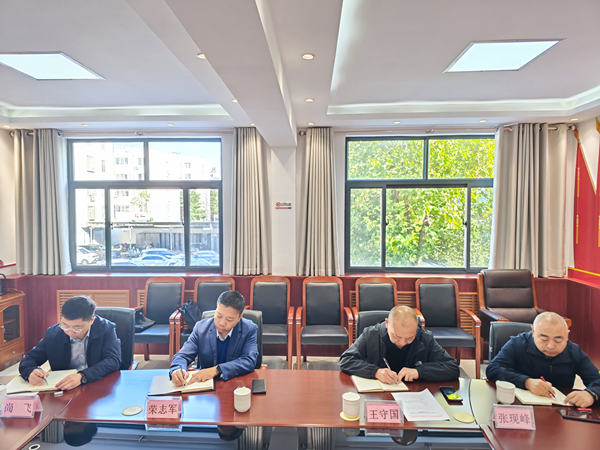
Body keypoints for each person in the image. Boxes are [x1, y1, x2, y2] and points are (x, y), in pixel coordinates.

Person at [486, 312, 600, 407]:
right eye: (544, 339)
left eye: (558, 340)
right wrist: (527, 382)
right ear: (533, 332)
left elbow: (596, 379)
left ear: (567, 335)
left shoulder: (574, 351)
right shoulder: (518, 343)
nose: (551, 346)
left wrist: (591, 394)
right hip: (519, 407)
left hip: (559, 412)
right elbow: (493, 369)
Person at [19, 296, 121, 390]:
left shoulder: (106, 329)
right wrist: (30, 371)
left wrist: (82, 376)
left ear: (91, 321)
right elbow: (29, 360)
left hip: (97, 384)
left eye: (77, 328)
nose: (70, 332)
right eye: (65, 325)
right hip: (65, 388)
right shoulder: (53, 334)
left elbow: (113, 360)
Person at [340, 305, 460, 383]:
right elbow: (346, 360)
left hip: (413, 393)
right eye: (397, 336)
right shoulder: (371, 334)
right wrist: (375, 372)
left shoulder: (424, 338)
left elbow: (452, 368)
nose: (402, 343)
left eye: (409, 337)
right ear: (387, 324)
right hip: (379, 394)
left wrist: (419, 372)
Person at [169, 290, 258, 385]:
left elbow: (249, 360)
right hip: (205, 385)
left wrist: (217, 369)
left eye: (229, 319)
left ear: (239, 317)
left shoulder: (249, 329)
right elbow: (183, 355)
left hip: (236, 384)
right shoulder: (201, 328)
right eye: (219, 315)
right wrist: (177, 369)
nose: (222, 323)